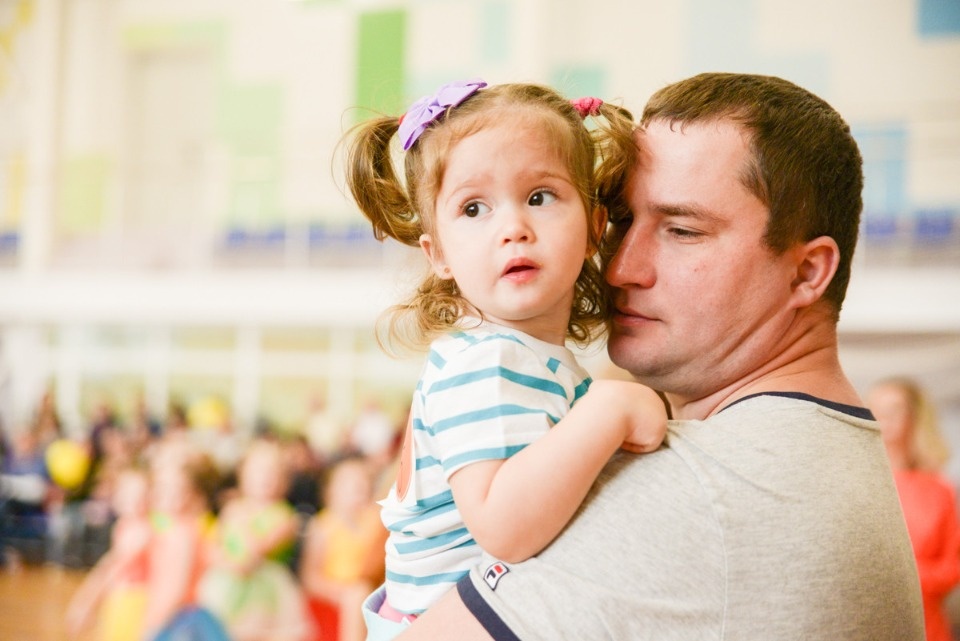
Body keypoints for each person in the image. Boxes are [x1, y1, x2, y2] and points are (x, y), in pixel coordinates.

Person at [396, 72, 925, 640]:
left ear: (807, 271)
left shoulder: (705, 485)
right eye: (624, 220)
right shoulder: (817, 455)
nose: (620, 268)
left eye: (682, 230)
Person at [344, 79, 668, 637]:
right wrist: (610, 410)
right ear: (438, 252)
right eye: (474, 208)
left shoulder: (524, 357)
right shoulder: (488, 362)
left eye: (540, 197)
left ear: (593, 227)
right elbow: (503, 525)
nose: (513, 228)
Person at [867, 377, 960, 641]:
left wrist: (899, 576)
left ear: (914, 416)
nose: (884, 418)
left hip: (927, 627)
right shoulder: (857, 482)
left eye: (894, 409)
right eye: (875, 409)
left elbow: (953, 568)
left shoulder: (940, 488)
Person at [196, 438, 313, 641]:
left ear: (284, 480)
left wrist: (243, 520)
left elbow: (254, 552)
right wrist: (223, 561)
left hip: (266, 590)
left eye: (273, 473)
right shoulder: (231, 509)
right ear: (243, 475)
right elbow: (212, 546)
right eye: (258, 471)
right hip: (226, 581)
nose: (265, 478)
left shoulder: (285, 517)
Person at [300, 457, 389, 641]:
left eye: (364, 482)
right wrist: (342, 591)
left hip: (372, 587)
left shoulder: (376, 520)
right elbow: (310, 577)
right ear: (330, 491)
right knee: (356, 595)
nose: (358, 489)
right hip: (337, 594)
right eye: (349, 484)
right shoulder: (323, 526)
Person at [65, 466, 152, 641]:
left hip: (134, 601)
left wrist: (88, 604)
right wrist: (85, 598)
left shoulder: (143, 530)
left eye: (141, 494)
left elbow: (114, 568)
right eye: (127, 493)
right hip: (120, 597)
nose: (134, 500)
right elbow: (109, 563)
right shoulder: (124, 525)